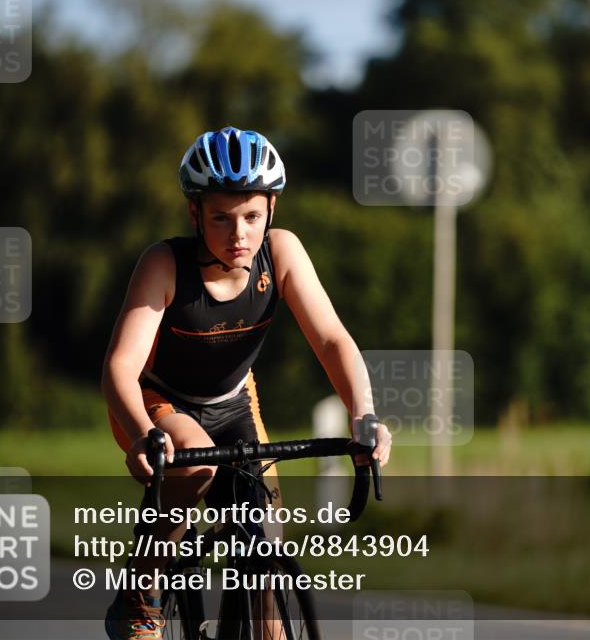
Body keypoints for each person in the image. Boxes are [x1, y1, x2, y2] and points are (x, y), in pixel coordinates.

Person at [101, 126, 392, 640]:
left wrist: (363, 415)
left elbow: (331, 341)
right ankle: (143, 593)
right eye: (221, 217)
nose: (239, 234)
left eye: (252, 216)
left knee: (265, 551)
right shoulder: (164, 264)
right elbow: (120, 367)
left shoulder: (281, 253)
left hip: (236, 401)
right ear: (195, 214)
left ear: (271, 211)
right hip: (159, 402)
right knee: (198, 465)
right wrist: (142, 432)